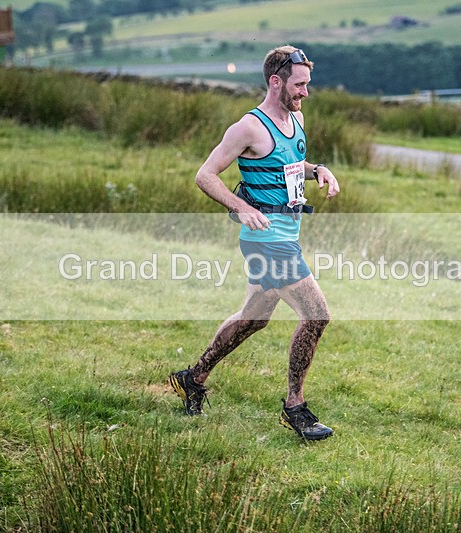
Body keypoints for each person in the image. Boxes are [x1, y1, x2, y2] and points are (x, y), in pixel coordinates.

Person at [169, 45, 340, 441]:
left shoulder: (296, 117)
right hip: (266, 243)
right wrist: (240, 206)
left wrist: (319, 171)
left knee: (254, 319)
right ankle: (295, 408)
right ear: (275, 81)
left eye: (308, 85)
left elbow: (290, 166)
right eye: (299, 85)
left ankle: (192, 378)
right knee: (317, 316)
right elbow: (205, 175)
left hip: (286, 235)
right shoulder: (248, 127)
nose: (306, 93)